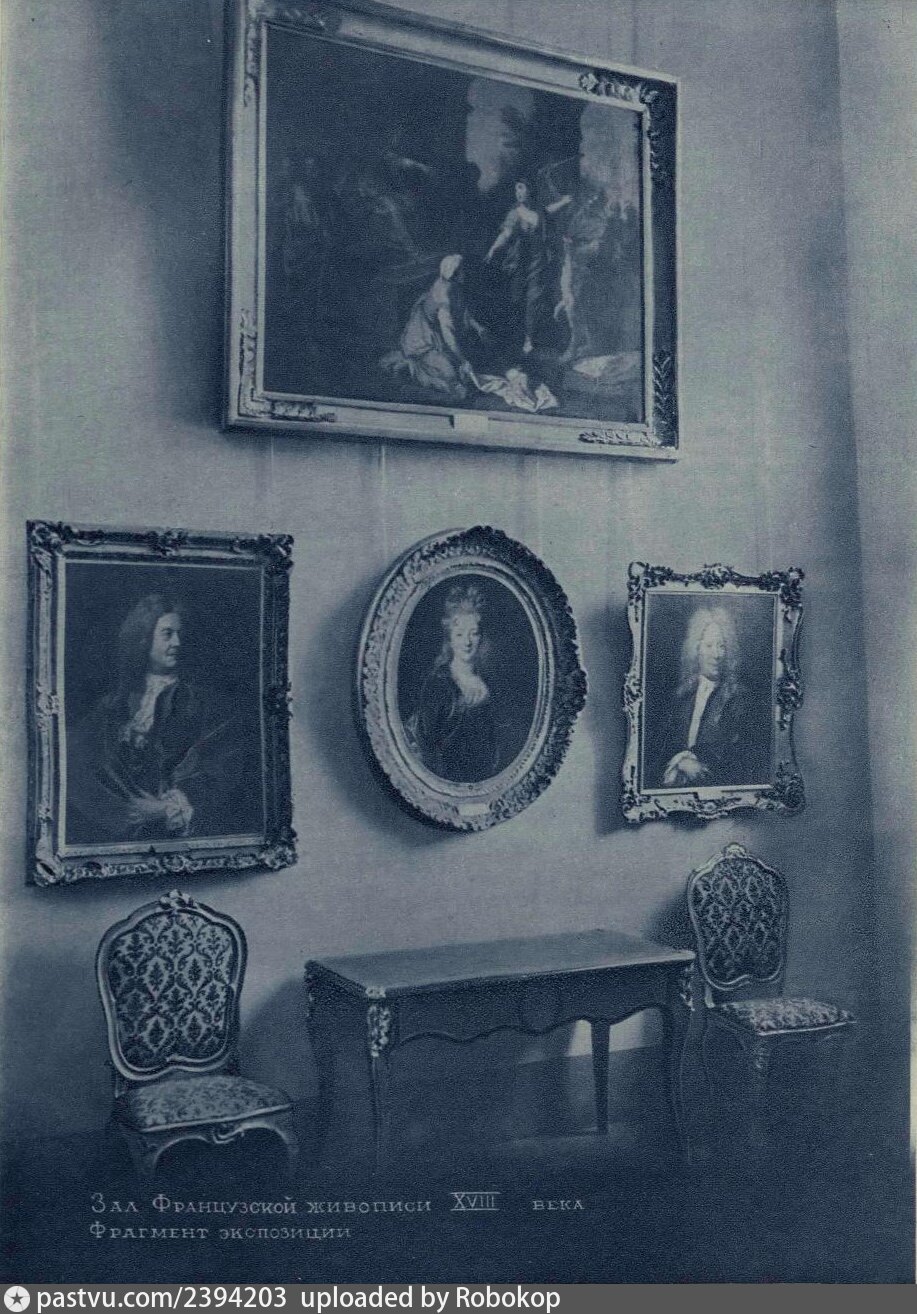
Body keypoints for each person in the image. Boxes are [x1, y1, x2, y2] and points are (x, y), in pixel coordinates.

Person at [66, 594, 249, 844]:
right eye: (167, 634)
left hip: (182, 836)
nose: (177, 642)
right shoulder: (113, 704)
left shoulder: (205, 703)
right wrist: (122, 809)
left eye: (180, 634)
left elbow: (222, 766)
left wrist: (167, 808)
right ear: (144, 638)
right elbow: (77, 763)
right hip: (117, 835)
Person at [648, 607, 771, 789]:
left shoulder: (740, 697)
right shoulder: (682, 695)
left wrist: (696, 763)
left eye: (721, 646)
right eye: (709, 646)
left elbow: (741, 755)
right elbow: (662, 746)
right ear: (696, 649)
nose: (716, 655)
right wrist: (681, 762)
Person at [404, 583, 504, 783]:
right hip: (449, 779)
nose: (467, 642)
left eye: (473, 633)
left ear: (481, 637)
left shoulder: (489, 681)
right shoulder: (438, 683)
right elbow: (427, 745)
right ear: (449, 639)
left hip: (487, 780)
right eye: (459, 634)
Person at [483, 179, 571, 356]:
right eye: (516, 189)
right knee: (517, 300)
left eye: (522, 188)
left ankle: (529, 339)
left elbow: (547, 211)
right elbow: (506, 234)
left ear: (530, 190)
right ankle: (515, 338)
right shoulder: (515, 213)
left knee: (534, 300)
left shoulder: (538, 210)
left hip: (539, 262)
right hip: (520, 264)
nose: (518, 192)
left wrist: (564, 202)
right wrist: (493, 249)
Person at [380, 254, 485, 399]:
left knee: (469, 367)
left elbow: (463, 311)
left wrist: (478, 328)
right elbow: (448, 333)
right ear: (454, 273)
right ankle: (410, 365)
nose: (465, 273)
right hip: (423, 341)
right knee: (451, 374)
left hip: (439, 338)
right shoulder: (443, 296)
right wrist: (462, 360)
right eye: (462, 270)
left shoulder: (454, 287)